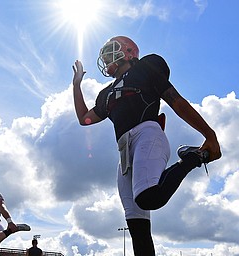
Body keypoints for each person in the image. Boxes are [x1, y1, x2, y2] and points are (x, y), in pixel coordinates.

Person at [72, 35, 221, 256]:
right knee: (137, 229)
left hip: (147, 134)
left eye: (111, 50)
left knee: (148, 197)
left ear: (129, 51)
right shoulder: (106, 94)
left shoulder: (146, 67)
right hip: (125, 151)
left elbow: (175, 99)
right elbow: (84, 118)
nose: (106, 57)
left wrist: (209, 134)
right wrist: (77, 86)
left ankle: (195, 156)